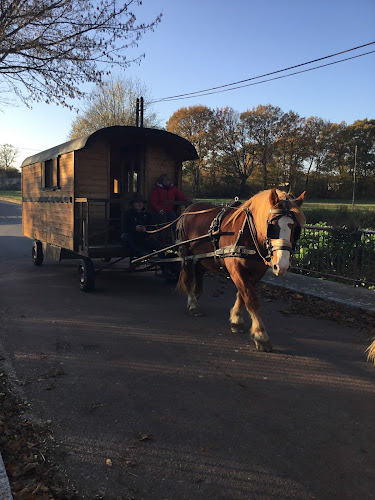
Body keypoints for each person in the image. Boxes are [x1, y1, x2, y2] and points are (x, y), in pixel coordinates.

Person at [121, 194, 163, 258]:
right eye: (137, 202)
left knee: (160, 247)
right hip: (133, 238)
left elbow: (152, 226)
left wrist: (145, 229)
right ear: (133, 204)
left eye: (141, 202)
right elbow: (124, 227)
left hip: (144, 237)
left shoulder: (147, 214)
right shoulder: (128, 214)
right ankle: (141, 254)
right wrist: (135, 228)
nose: (139, 204)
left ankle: (164, 265)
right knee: (126, 237)